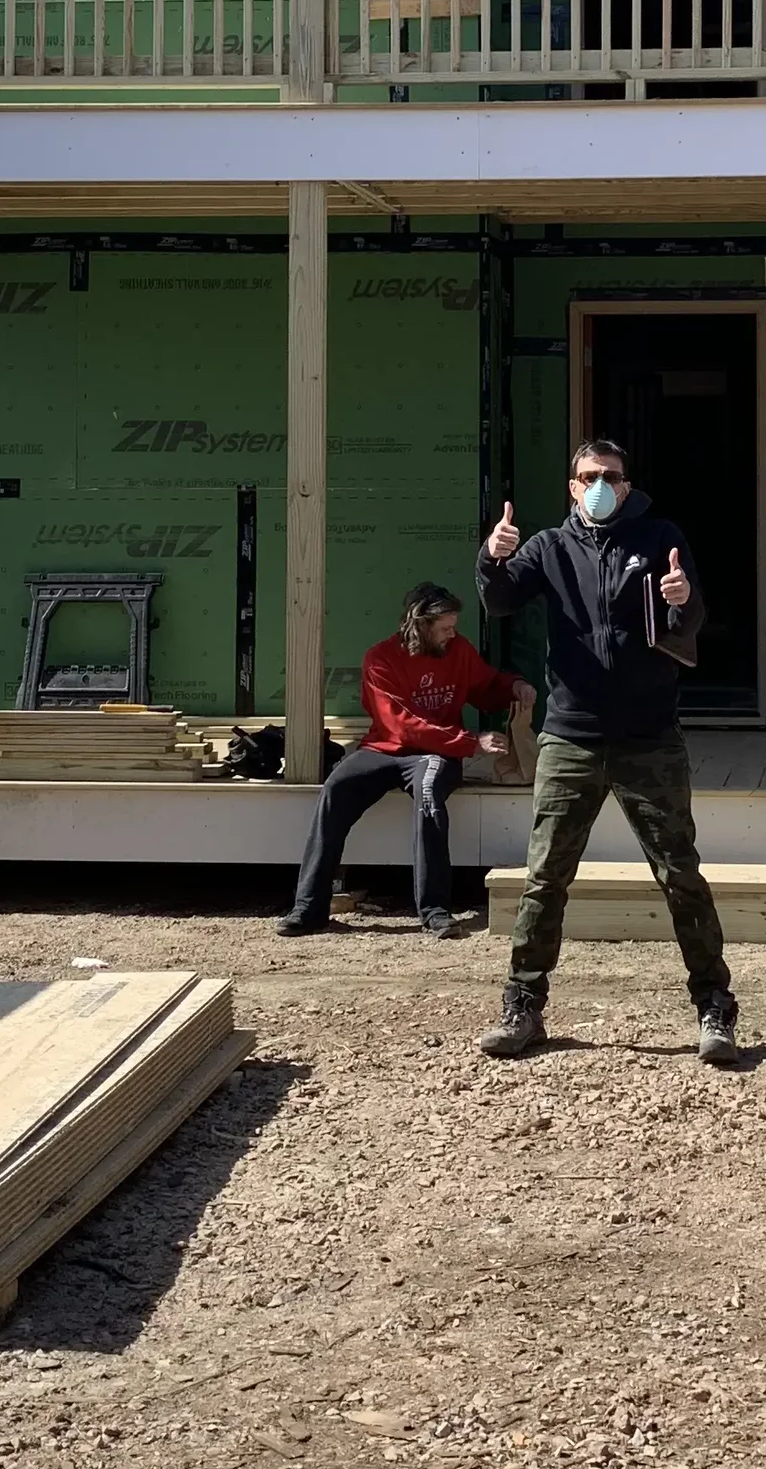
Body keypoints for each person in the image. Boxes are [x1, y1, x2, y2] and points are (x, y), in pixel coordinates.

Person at [473, 436, 740, 1067]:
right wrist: (490, 556)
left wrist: (684, 601)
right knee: (544, 877)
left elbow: (690, 618)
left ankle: (715, 1007)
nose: (600, 485)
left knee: (680, 874)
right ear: (572, 486)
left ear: (627, 485)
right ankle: (522, 1006)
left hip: (649, 734)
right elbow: (500, 600)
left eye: (611, 476)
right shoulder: (547, 546)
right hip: (570, 735)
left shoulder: (659, 537)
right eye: (588, 475)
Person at [276, 583, 531, 940]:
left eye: (453, 626)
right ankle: (309, 908)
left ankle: (435, 910)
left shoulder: (458, 650)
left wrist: (514, 687)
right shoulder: (380, 658)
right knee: (336, 787)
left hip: (435, 754)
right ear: (421, 625)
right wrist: (471, 742)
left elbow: (485, 687)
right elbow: (400, 725)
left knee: (428, 793)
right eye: (444, 627)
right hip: (384, 748)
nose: (452, 634)